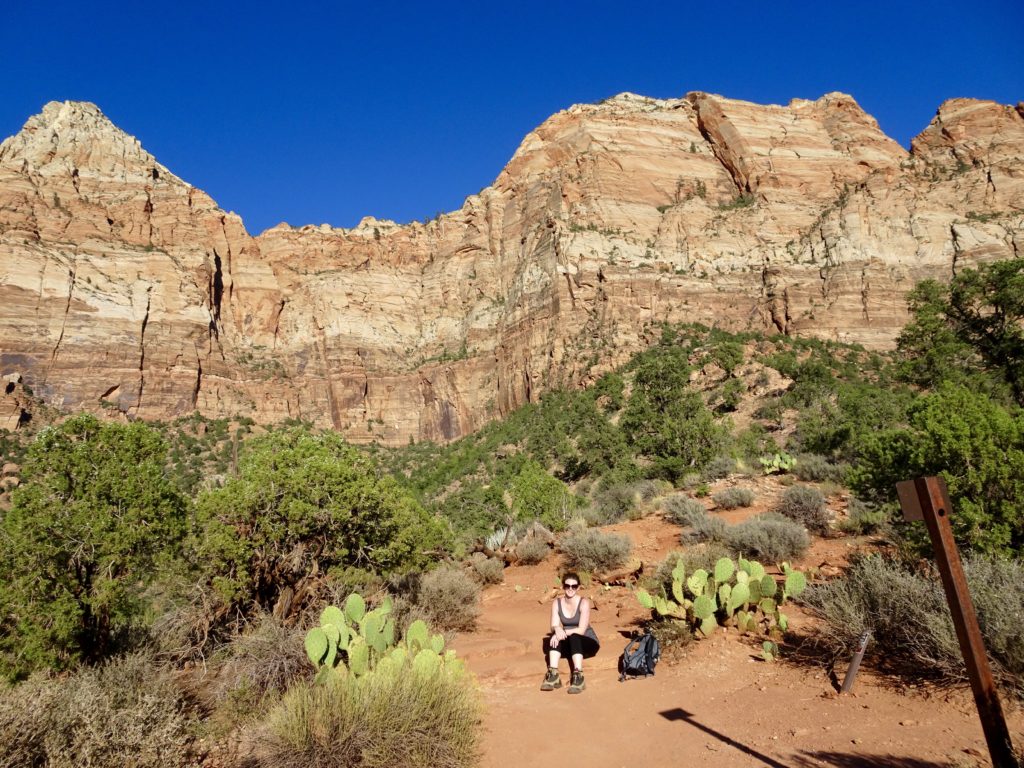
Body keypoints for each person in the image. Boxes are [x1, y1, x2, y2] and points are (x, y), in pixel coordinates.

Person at [541, 572, 599, 693]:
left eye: (574, 586)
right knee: (555, 636)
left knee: (574, 636)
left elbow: (581, 630)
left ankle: (578, 676)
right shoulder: (557, 603)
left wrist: (562, 631)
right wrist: (556, 629)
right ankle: (553, 674)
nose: (570, 589)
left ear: (578, 587)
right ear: (563, 586)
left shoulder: (584, 602)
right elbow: (554, 625)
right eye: (567, 586)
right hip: (572, 645)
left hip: (588, 643)